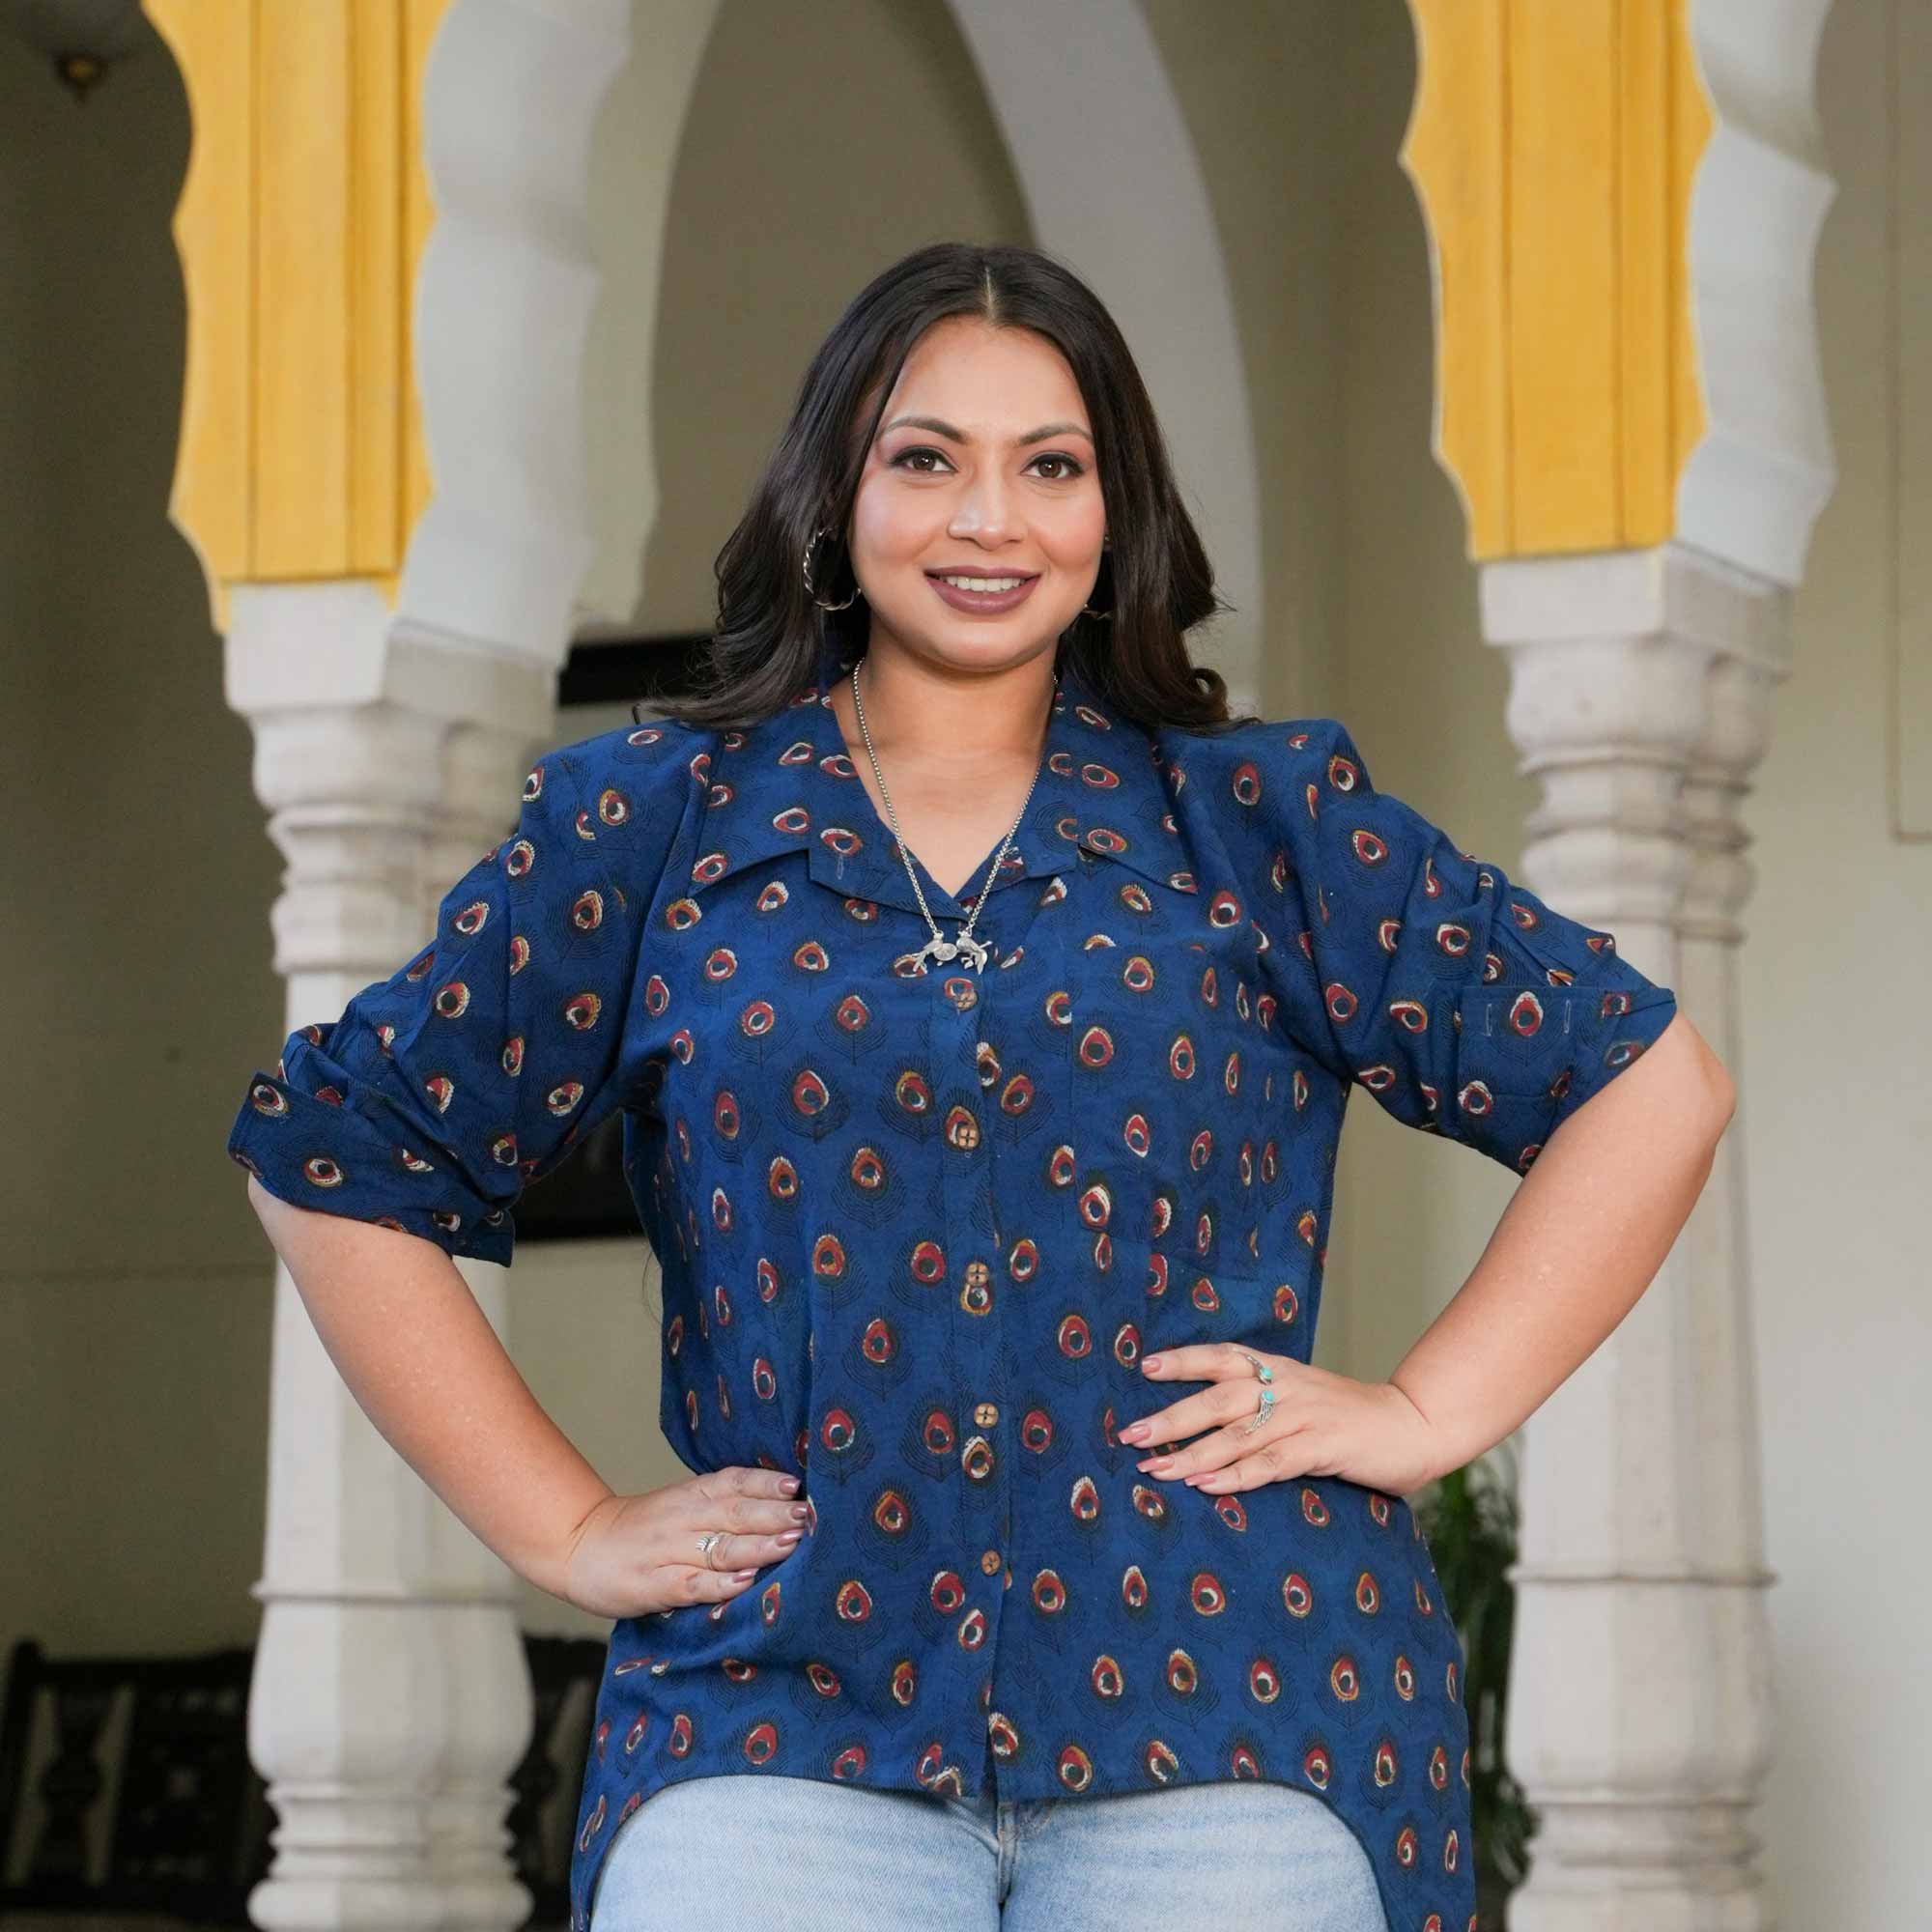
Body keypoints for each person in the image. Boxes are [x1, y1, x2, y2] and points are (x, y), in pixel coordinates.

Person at [226, 242, 1734, 1932]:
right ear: (833, 496)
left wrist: (1428, 1413)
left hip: (1230, 1725)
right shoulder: (658, 821)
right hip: (779, 1732)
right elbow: (334, 1153)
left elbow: (1647, 1082)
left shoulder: (1255, 821)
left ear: (1116, 519)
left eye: (1052, 466)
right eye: (924, 458)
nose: (988, 520)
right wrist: (566, 1526)